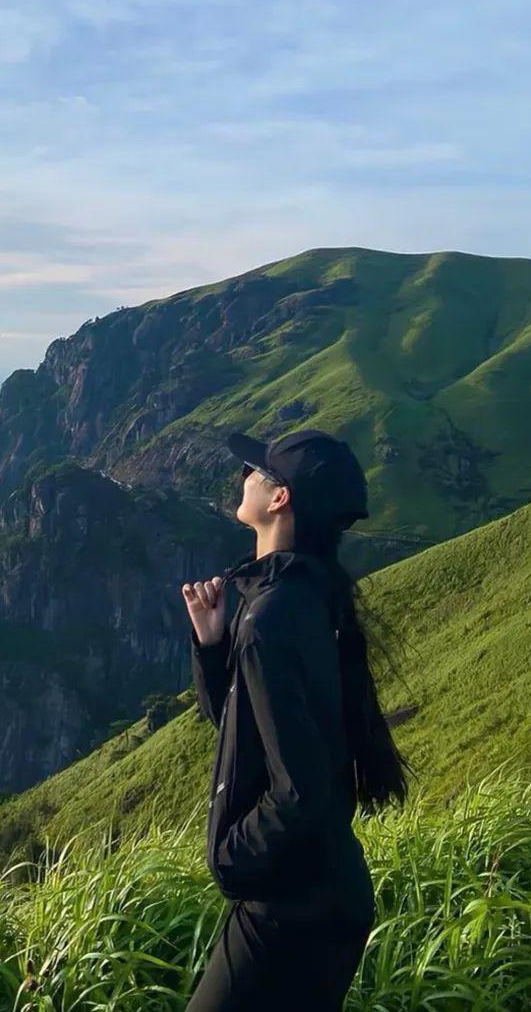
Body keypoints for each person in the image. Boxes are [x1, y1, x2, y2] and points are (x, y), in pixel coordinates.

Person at [181, 428, 414, 1010]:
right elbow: (257, 736)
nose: (245, 477)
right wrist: (213, 649)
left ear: (280, 500)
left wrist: (230, 859)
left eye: (257, 471)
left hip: (288, 908)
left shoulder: (273, 618)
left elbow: (299, 788)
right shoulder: (306, 598)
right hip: (327, 891)